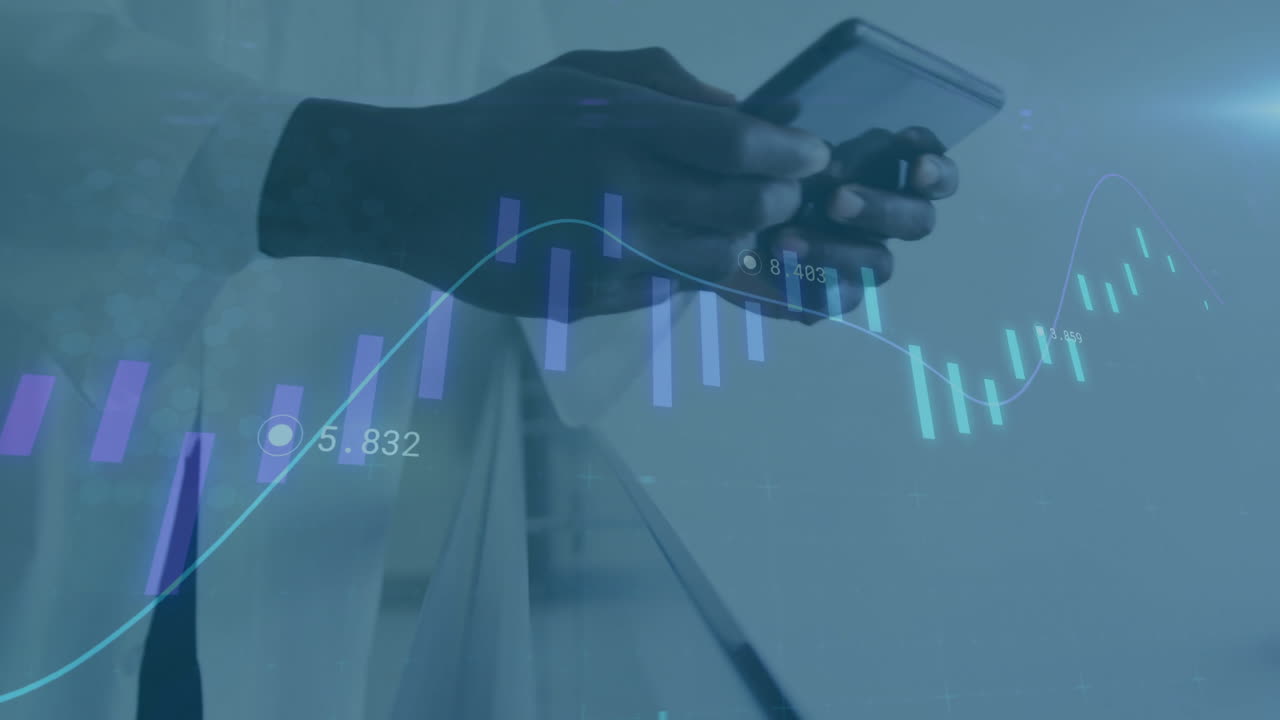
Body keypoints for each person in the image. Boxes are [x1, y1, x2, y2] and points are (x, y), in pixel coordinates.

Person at [0, 0, 958, 717]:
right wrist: (346, 170)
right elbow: (414, 166)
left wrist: (707, 227)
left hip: (272, 556)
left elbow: (508, 189)